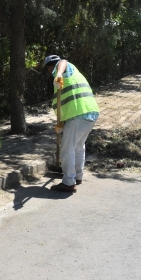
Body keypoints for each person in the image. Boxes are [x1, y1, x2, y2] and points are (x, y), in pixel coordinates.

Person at [44, 55, 100, 193]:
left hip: (78, 115)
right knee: (78, 146)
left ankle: (69, 182)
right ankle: (77, 176)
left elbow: (63, 61)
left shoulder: (62, 69)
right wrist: (61, 124)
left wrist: (58, 73)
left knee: (67, 149)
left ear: (50, 67)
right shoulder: (65, 81)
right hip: (89, 113)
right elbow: (64, 104)